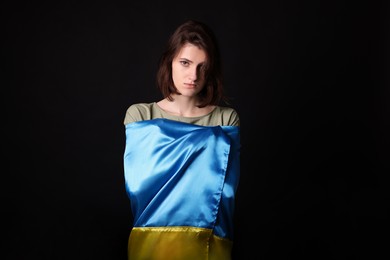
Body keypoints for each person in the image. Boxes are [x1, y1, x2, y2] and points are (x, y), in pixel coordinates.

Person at [123, 19, 241, 260]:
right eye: (185, 63)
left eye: (203, 67)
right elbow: (138, 187)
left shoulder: (225, 119)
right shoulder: (141, 115)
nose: (193, 75)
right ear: (170, 62)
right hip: (151, 242)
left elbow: (225, 193)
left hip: (210, 243)